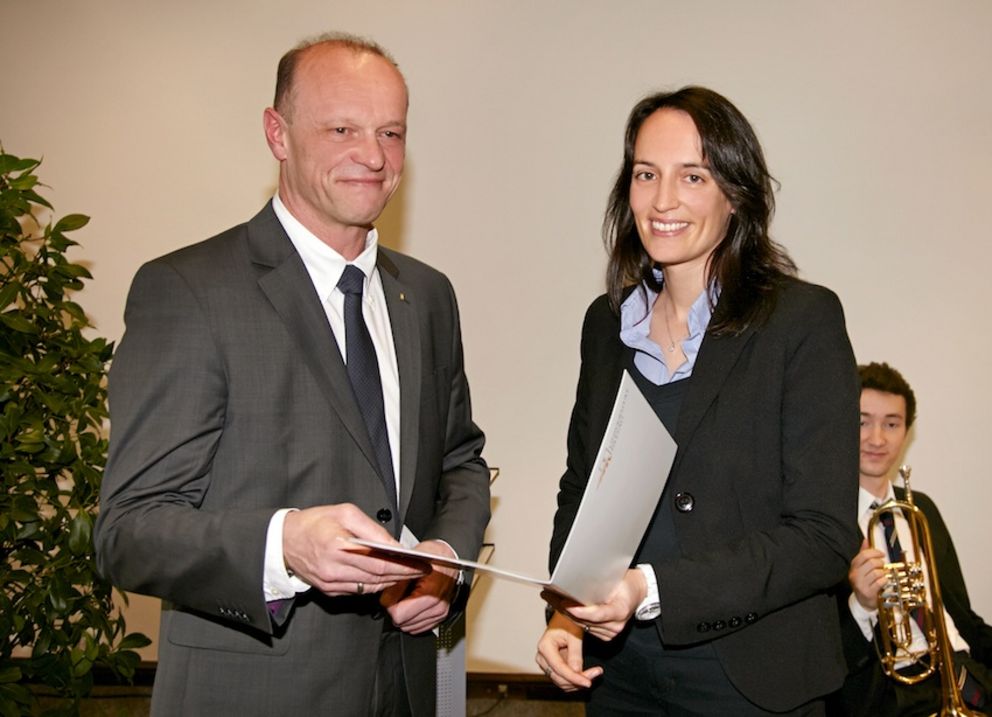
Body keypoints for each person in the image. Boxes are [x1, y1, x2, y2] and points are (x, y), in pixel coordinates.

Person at [94, 33, 490, 716]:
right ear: (277, 134)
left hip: (404, 689)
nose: (373, 156)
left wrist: (445, 559)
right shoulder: (187, 291)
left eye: (391, 132)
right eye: (342, 129)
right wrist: (284, 544)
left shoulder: (427, 296)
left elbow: (460, 460)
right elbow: (127, 531)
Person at [534, 86, 860, 715]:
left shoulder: (801, 320)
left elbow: (822, 537)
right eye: (646, 174)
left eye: (692, 176)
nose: (662, 201)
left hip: (756, 679)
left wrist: (649, 588)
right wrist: (566, 616)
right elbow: (582, 491)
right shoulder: (606, 326)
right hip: (621, 676)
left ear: (735, 193)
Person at [828, 361, 992, 716]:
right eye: (862, 421)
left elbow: (961, 615)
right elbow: (819, 656)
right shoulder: (821, 522)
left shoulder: (922, 510)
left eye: (891, 424)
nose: (877, 438)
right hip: (891, 695)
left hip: (964, 674)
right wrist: (861, 606)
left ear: (906, 432)